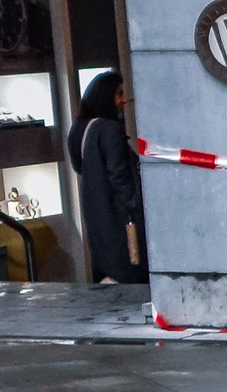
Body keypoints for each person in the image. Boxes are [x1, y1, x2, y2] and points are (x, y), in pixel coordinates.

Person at [69, 70, 148, 284]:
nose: (124, 100)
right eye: (119, 94)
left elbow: (78, 165)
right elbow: (119, 174)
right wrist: (136, 206)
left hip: (97, 213)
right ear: (106, 96)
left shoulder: (79, 128)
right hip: (120, 217)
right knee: (131, 270)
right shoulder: (109, 129)